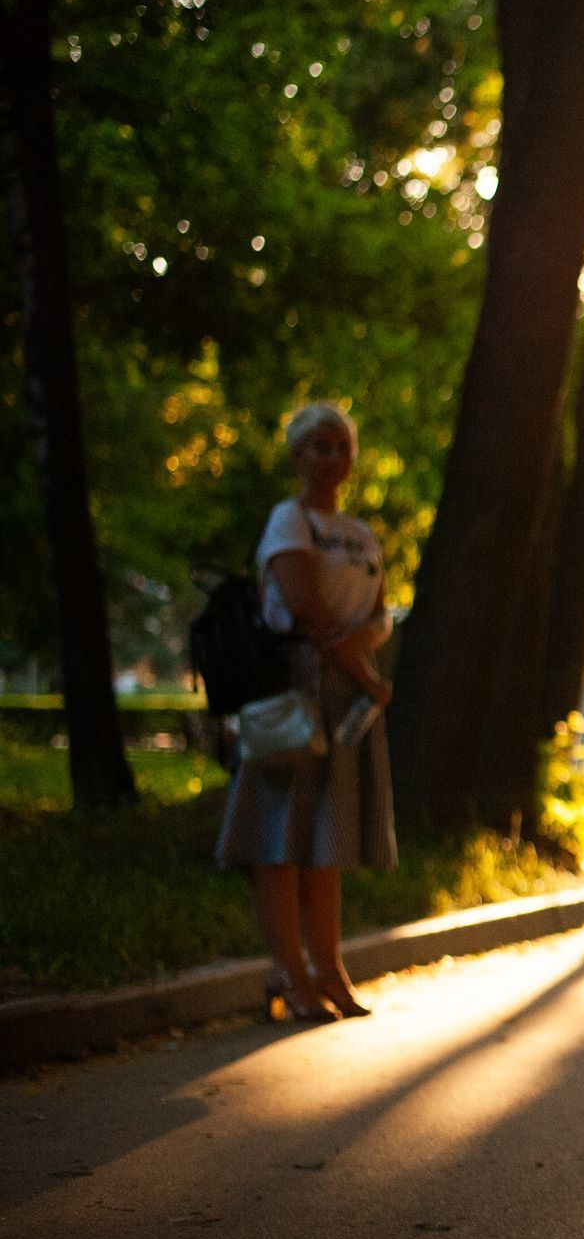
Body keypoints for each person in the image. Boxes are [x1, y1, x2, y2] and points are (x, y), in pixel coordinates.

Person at [216, 402, 396, 1022]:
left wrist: (360, 668)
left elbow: (379, 616)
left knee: (326, 837)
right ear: (297, 455)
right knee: (280, 834)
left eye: (340, 446)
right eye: (318, 446)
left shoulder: (362, 535)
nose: (330, 458)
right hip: (292, 692)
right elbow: (303, 609)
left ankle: (328, 968)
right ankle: (287, 971)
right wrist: (365, 673)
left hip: (345, 695)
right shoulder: (287, 521)